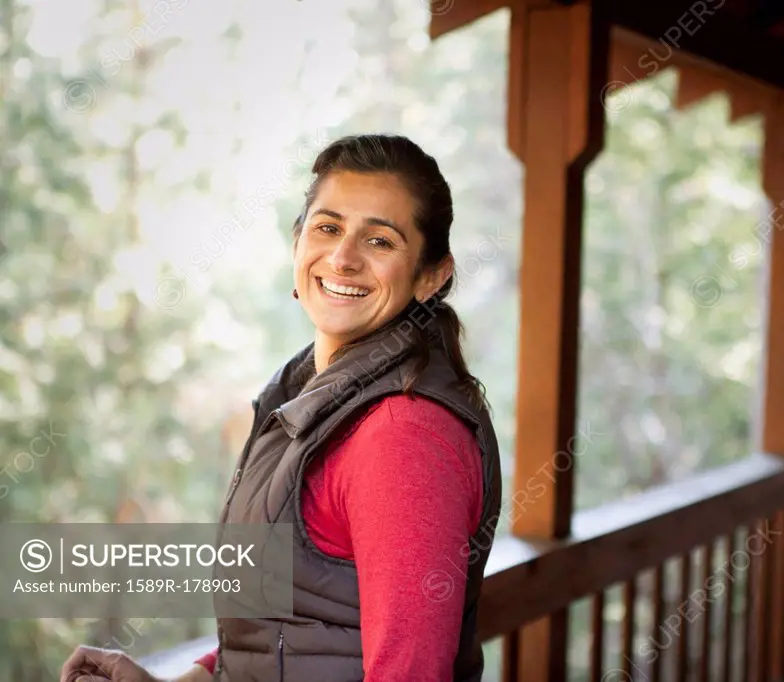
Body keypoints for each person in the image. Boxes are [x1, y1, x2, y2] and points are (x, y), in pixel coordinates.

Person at [61, 134, 503, 682]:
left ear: (431, 276)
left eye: (381, 241)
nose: (343, 257)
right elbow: (286, 628)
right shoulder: (306, 394)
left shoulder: (403, 431)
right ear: (298, 242)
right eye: (328, 227)